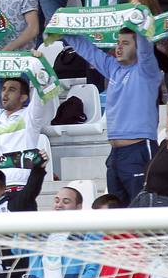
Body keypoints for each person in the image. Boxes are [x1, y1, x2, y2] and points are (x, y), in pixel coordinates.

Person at [62, 25, 162, 204]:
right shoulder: (113, 68)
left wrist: (139, 24)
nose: (119, 47)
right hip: (115, 153)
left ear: (137, 46)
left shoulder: (147, 70)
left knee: (142, 207)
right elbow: (88, 50)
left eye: (126, 43)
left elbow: (146, 49)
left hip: (138, 150)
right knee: (116, 210)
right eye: (117, 43)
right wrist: (62, 29)